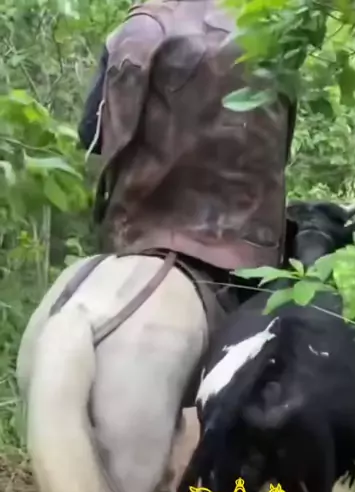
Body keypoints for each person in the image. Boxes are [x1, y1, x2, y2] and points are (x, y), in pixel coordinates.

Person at [78, 0, 297, 296]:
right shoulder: (270, 36)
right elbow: (279, 150)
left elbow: (91, 135)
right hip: (245, 254)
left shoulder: (141, 28)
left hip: (138, 236)